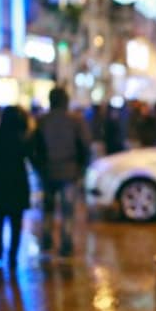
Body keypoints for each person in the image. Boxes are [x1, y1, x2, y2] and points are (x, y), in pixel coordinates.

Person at [33, 87, 90, 257]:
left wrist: (40, 168)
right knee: (67, 211)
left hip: (48, 172)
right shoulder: (75, 120)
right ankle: (66, 244)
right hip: (69, 172)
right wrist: (81, 168)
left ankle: (47, 241)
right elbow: (85, 146)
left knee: (48, 209)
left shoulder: (42, 121)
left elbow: (35, 148)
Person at [0, 106, 32, 267]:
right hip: (17, 183)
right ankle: (13, 256)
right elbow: (33, 157)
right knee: (16, 223)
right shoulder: (22, 138)